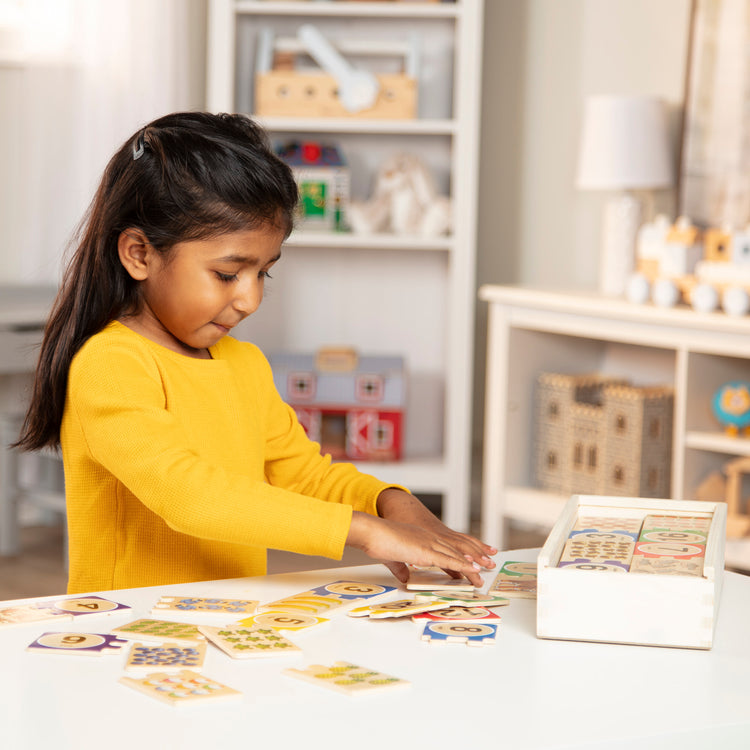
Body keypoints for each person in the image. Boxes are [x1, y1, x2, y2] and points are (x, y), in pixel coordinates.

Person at [15, 112, 496, 594]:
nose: (250, 299)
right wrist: (369, 533)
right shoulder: (110, 365)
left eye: (264, 272)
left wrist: (390, 502)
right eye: (228, 274)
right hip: (128, 633)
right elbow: (189, 495)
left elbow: (301, 475)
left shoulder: (242, 363)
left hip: (226, 622)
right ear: (139, 254)